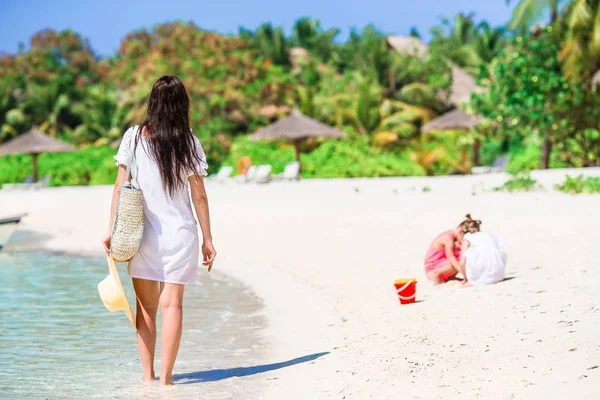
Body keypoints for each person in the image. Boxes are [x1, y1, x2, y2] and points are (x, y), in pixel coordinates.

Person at [102, 75, 217, 385]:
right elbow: (199, 195)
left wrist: (112, 230)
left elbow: (118, 187)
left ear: (152, 103)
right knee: (173, 305)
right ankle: (166, 380)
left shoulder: (134, 137)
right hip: (181, 234)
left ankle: (146, 377)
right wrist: (208, 239)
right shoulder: (189, 141)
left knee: (146, 308)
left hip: (144, 236)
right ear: (182, 105)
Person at [424, 214, 481, 285]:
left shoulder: (455, 239)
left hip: (442, 263)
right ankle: (436, 273)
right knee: (460, 260)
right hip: (432, 267)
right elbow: (450, 256)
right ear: (460, 231)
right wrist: (464, 273)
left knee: (464, 254)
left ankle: (449, 276)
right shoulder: (448, 238)